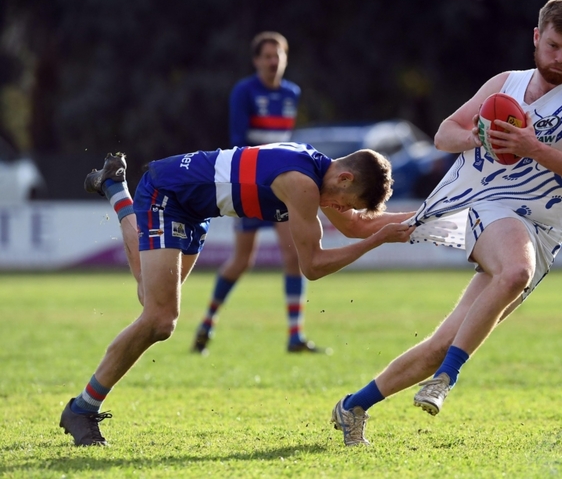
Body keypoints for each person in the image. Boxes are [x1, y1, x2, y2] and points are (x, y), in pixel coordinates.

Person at [331, 0, 562, 446]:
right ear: (537, 38)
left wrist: (533, 148)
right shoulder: (505, 85)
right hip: (490, 206)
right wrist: (479, 135)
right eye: (555, 46)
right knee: (514, 271)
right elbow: (445, 133)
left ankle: (353, 406)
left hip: (543, 233)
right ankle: (447, 380)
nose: (561, 58)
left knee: (446, 339)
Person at [60, 143, 415, 446]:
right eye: (344, 202)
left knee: (149, 299)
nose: (340, 210)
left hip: (193, 206)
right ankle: (82, 409)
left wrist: (424, 217)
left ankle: (116, 190)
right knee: (160, 318)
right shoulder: (302, 184)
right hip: (167, 193)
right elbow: (313, 266)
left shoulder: (319, 171)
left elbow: (355, 224)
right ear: (345, 178)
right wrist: (376, 242)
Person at [192, 31, 322, 355]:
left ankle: (295, 336)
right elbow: (238, 140)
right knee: (241, 261)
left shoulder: (292, 93)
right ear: (256, 61)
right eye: (267, 55)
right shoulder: (244, 91)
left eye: (278, 55)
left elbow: (286, 141)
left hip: (281, 186)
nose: (273, 61)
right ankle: (206, 324)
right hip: (251, 184)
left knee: (293, 256)